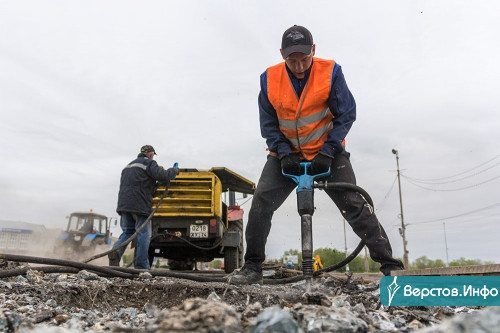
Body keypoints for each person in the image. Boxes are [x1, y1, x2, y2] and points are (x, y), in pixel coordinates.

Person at [230, 25, 404, 284]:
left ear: (314, 50)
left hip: (327, 153)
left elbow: (346, 114)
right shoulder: (269, 79)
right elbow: (268, 124)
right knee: (261, 204)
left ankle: (391, 267)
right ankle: (252, 267)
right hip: (285, 156)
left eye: (304, 59)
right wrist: (284, 151)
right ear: (282, 54)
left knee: (354, 205)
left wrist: (329, 149)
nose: (299, 66)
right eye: (292, 60)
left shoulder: (331, 72)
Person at [108, 145, 178, 269]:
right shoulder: (149, 163)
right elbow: (162, 174)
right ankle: (141, 266)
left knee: (128, 232)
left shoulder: (128, 166)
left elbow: (140, 185)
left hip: (124, 205)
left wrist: (156, 185)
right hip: (139, 205)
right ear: (151, 154)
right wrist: (174, 171)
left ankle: (116, 253)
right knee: (144, 234)